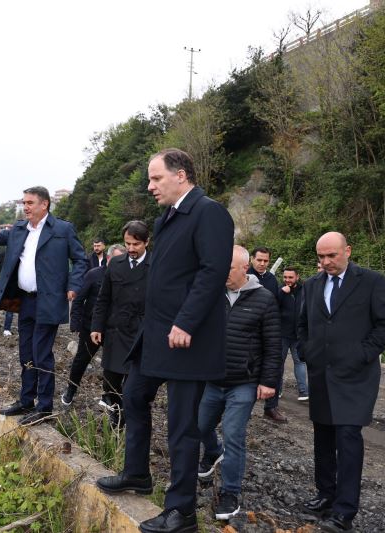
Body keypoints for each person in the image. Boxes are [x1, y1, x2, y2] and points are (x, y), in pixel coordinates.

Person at [96, 148, 234, 533]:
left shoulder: (209, 212)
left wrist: (186, 322)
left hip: (187, 338)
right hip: (156, 334)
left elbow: (212, 272)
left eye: (156, 178)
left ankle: (181, 511)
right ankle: (137, 474)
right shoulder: (167, 218)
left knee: (182, 426)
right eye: (150, 179)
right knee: (134, 395)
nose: (150, 186)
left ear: (181, 175)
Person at [0, 186, 88, 426]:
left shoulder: (62, 229)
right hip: (26, 301)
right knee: (26, 353)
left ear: (45, 204)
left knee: (42, 354)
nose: (25, 207)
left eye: (30, 203)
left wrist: (74, 285)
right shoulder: (20, 229)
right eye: (24, 203)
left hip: (49, 300)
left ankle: (44, 407)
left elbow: (80, 259)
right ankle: (26, 400)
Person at [298, 232, 385, 532]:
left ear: (348, 251)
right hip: (321, 375)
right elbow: (303, 324)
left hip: (356, 378)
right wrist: (307, 351)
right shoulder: (312, 284)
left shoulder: (371, 282)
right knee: (323, 437)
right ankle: (325, 494)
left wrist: (362, 354)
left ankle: (344, 512)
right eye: (321, 256)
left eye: (332, 255)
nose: (326, 261)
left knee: (348, 439)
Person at [197, 245, 281, 521]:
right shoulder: (213, 295)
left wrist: (268, 382)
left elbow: (273, 345)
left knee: (234, 434)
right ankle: (213, 452)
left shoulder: (264, 299)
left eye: (229, 268)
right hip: (213, 378)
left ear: (245, 268)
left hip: (244, 382)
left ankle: (230, 493)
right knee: (200, 426)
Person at [90, 220, 150, 428]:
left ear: (146, 242)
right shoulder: (115, 264)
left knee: (134, 385)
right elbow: (103, 298)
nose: (131, 249)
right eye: (128, 244)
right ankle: (116, 415)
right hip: (115, 331)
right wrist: (96, 326)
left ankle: (130, 420)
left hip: (141, 334)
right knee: (110, 381)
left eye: (136, 244)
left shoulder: (156, 265)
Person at [62, 243, 126, 406]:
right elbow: (79, 299)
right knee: (81, 360)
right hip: (90, 327)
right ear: (109, 258)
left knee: (113, 365)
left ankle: (110, 396)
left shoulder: (126, 277)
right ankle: (71, 390)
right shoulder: (94, 274)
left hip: (113, 329)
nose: (121, 263)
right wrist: (75, 323)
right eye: (118, 259)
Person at [271, 266, 308, 407]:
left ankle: (303, 392)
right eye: (285, 277)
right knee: (279, 362)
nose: (287, 280)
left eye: (290, 277)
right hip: (282, 333)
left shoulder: (304, 290)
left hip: (298, 334)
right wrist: (281, 293)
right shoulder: (279, 290)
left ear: (297, 277)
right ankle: (277, 390)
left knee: (300, 362)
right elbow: (272, 306)